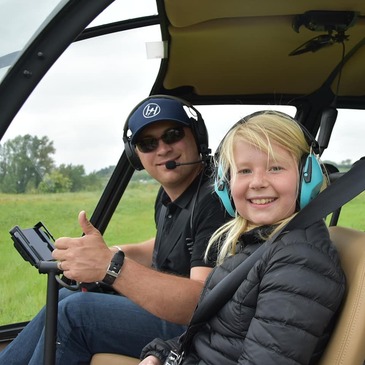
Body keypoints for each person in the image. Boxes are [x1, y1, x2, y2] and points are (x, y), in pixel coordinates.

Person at [0, 95, 228, 364]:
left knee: (75, 313)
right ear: (136, 155)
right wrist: (108, 253)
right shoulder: (170, 197)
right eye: (148, 143)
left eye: (173, 135)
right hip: (174, 316)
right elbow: (165, 245)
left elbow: (199, 303)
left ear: (197, 137)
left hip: (197, 330)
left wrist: (111, 266)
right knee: (64, 295)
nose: (163, 149)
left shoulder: (214, 199)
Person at [139, 111, 346, 365]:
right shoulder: (262, 243)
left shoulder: (299, 260)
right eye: (245, 171)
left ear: (307, 176)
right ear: (226, 184)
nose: (257, 182)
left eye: (275, 168)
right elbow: (210, 337)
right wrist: (160, 354)